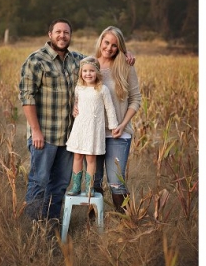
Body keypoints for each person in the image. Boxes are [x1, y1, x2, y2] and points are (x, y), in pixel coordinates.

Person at [18, 19, 134, 223]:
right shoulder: (36, 60)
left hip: (69, 137)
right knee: (39, 182)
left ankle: (52, 224)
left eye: (66, 33)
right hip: (44, 135)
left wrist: (125, 54)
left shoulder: (76, 60)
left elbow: (97, 61)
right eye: (58, 32)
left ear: (70, 36)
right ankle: (33, 229)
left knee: (60, 184)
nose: (62, 36)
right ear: (50, 34)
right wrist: (35, 130)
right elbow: (27, 97)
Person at [92, 27, 142, 209]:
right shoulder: (89, 65)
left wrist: (122, 125)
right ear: (101, 41)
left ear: (120, 47)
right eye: (106, 42)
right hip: (94, 134)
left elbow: (136, 100)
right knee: (94, 182)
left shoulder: (125, 66)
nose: (109, 48)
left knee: (116, 183)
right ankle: (94, 224)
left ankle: (127, 222)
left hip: (118, 134)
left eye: (115, 45)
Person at [65, 57, 119, 197]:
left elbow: (110, 108)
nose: (88, 74)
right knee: (77, 156)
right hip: (80, 128)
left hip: (93, 129)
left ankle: (90, 187)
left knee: (90, 158)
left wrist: (113, 126)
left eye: (91, 71)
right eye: (85, 71)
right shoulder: (79, 88)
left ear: (97, 72)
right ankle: (76, 186)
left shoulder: (102, 89)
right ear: (81, 73)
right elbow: (76, 104)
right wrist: (74, 108)